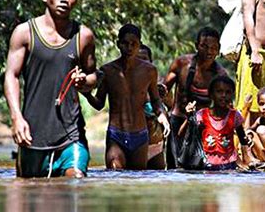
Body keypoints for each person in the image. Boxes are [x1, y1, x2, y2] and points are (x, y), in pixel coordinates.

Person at [4, 0, 98, 178]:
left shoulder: (84, 36)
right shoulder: (24, 33)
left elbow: (93, 76)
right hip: (32, 134)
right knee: (27, 192)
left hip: (71, 134)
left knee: (76, 181)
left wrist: (85, 82)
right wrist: (16, 117)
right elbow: (11, 75)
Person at [84, 24, 170, 170]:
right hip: (116, 135)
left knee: (137, 178)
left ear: (139, 45)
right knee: (115, 174)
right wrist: (86, 93)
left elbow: (155, 100)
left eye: (134, 44)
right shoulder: (108, 71)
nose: (129, 48)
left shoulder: (149, 71)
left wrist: (161, 115)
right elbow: (99, 104)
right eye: (125, 43)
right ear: (118, 44)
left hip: (140, 136)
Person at [163, 27, 228, 168]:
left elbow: (225, 107)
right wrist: (164, 112)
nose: (209, 51)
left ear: (218, 49)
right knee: (174, 169)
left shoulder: (220, 74)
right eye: (204, 46)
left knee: (201, 169)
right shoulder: (181, 64)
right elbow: (162, 90)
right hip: (178, 121)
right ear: (196, 45)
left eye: (213, 48)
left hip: (204, 128)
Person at [180, 75, 250, 170]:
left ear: (232, 95)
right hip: (205, 165)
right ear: (211, 94)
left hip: (229, 165)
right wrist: (189, 117)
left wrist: (245, 161)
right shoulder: (201, 115)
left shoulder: (234, 116)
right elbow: (181, 134)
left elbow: (242, 139)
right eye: (219, 91)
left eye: (228, 92)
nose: (224, 95)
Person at [137, 44, 166, 169]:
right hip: (135, 145)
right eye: (137, 58)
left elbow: (168, 108)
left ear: (150, 61)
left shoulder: (158, 86)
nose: (141, 62)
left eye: (144, 58)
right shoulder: (125, 84)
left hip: (155, 144)